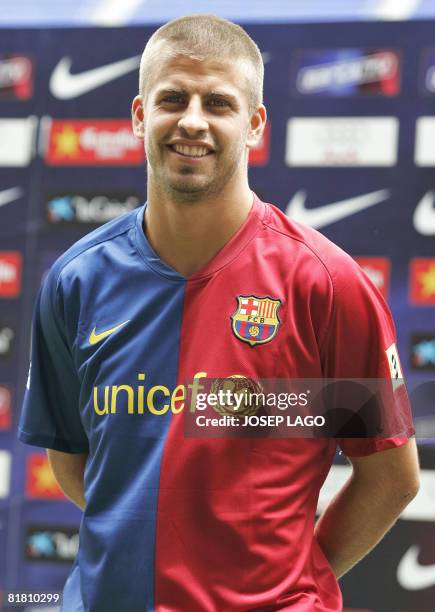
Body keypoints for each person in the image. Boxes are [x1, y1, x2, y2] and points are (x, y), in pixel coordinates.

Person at [19, 14, 419, 612]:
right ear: (138, 115)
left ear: (255, 124)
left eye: (219, 103)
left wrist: (292, 579)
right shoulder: (77, 281)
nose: (193, 120)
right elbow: (75, 464)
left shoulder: (326, 284)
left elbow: (391, 477)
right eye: (173, 98)